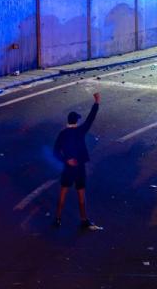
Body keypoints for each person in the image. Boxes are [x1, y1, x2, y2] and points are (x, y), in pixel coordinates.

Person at [53, 92, 103, 230]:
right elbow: (90, 119)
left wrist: (66, 160)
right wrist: (97, 102)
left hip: (68, 169)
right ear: (76, 121)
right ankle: (84, 219)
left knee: (63, 194)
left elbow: (55, 152)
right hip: (79, 168)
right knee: (81, 195)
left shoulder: (62, 134)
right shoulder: (80, 131)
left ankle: (57, 218)